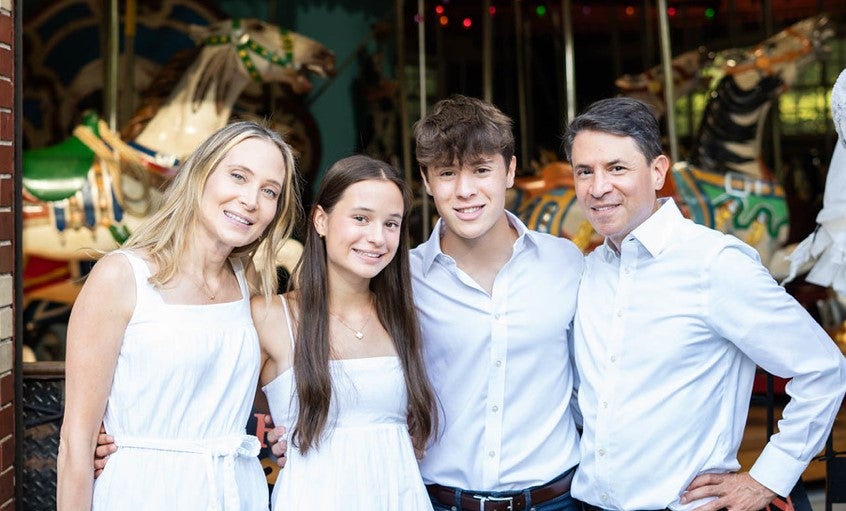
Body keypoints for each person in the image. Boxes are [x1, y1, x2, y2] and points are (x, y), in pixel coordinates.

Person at [562, 97, 846, 511]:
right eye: (584, 171)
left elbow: (822, 368)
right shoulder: (589, 271)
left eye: (617, 168)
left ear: (658, 171)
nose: (598, 187)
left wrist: (767, 478)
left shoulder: (714, 263)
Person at [58, 120, 300, 510]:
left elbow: (242, 390)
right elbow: (76, 444)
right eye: (238, 176)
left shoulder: (248, 280)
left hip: (234, 491)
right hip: (145, 491)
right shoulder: (122, 276)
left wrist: (286, 434)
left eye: (269, 191)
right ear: (200, 173)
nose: (251, 200)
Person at [411, 95, 584, 511]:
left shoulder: (567, 263)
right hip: (439, 501)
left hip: (554, 500)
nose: (465, 190)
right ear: (427, 179)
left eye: (481, 170)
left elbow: (597, 382)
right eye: (447, 173)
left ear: (509, 171)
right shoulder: (403, 277)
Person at [251, 154, 438, 509]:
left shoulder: (404, 317)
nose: (377, 238)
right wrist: (271, 436)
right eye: (361, 218)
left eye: (391, 224)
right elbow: (221, 405)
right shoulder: (271, 316)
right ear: (321, 219)